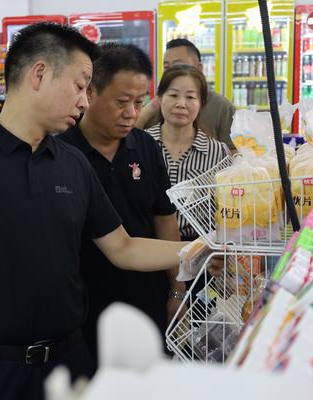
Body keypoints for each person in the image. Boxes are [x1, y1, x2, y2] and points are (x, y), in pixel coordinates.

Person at [0, 23, 194, 400]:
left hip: (68, 362)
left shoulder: (72, 164)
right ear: (39, 74)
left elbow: (123, 248)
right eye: (79, 85)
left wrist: (200, 249)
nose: (84, 102)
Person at [58, 43, 184, 366]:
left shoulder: (145, 147)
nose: (131, 113)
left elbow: (164, 220)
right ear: (90, 92)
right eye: (122, 102)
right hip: (84, 307)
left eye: (139, 102)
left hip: (146, 298)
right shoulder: (61, 153)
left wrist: (177, 290)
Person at [145, 64, 231, 241]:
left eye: (190, 97)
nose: (181, 104)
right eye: (173, 95)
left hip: (201, 248)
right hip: (149, 245)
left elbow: (228, 208)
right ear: (160, 99)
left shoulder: (218, 152)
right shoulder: (142, 144)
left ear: (201, 103)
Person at [135, 38, 236, 150]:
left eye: (179, 65)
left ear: (199, 68)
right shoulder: (158, 104)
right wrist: (149, 109)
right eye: (167, 67)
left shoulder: (221, 107)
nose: (173, 72)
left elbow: (234, 149)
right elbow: (130, 137)